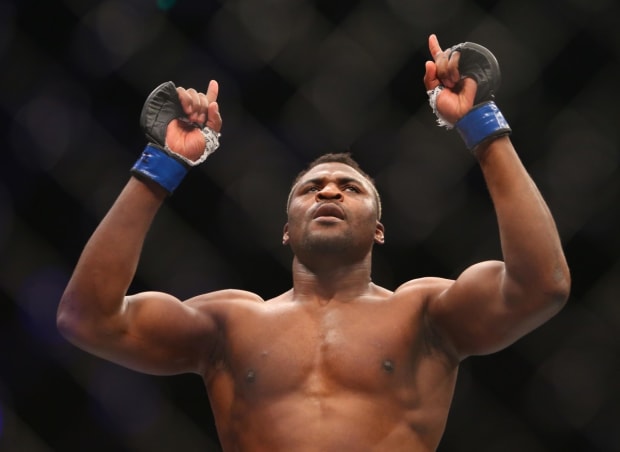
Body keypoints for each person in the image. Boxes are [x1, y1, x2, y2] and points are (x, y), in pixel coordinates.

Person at [57, 34, 570, 451]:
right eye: (310, 189)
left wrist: (482, 124)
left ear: (379, 229)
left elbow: (541, 284)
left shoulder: (425, 314)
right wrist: (162, 165)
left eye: (350, 188)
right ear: (286, 231)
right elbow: (87, 319)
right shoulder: (229, 323)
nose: (328, 191)